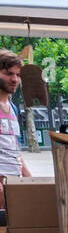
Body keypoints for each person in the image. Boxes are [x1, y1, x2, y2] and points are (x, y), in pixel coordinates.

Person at [0, 49, 33, 214]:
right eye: (8, 73)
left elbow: (15, 151)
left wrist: (30, 180)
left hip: (12, 186)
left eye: (18, 75)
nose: (14, 79)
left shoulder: (13, 108)